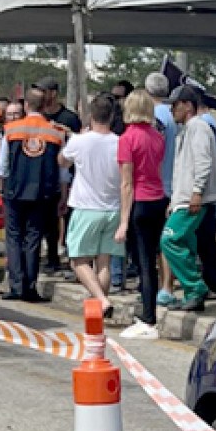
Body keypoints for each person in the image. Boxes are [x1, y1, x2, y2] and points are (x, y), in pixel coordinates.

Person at [0, 86, 67, 304]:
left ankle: (16, 285)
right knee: (34, 239)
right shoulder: (56, 132)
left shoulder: (10, 129)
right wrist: (62, 196)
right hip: (42, 194)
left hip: (15, 191)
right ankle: (30, 286)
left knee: (14, 238)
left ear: (26, 105)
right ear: (45, 106)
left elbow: (2, 167)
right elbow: (63, 171)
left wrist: (2, 189)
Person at [160, 84, 216, 312]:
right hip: (185, 197)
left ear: (187, 105)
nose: (171, 111)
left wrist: (196, 192)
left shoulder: (198, 127)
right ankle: (191, 294)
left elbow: (202, 162)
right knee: (186, 243)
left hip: (194, 198)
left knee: (169, 240)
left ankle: (195, 287)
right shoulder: (187, 130)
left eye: (175, 106)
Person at [61, 94, 124, 314]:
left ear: (90, 115)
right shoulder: (119, 142)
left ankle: (101, 301)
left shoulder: (80, 141)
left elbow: (62, 160)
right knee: (103, 262)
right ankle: (99, 307)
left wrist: (76, 137)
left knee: (78, 260)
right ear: (113, 116)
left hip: (86, 207)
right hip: (113, 207)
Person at [115, 90, 168, 340]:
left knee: (144, 262)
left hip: (140, 201)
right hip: (158, 198)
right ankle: (149, 312)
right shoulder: (158, 137)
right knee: (152, 260)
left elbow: (127, 183)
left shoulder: (127, 138)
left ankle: (148, 317)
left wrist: (123, 221)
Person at [37, 78, 81, 274]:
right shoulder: (38, 118)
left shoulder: (69, 118)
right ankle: (50, 257)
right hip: (42, 176)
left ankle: (72, 260)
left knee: (68, 220)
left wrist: (68, 133)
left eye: (43, 91)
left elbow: (80, 145)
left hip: (67, 176)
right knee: (45, 222)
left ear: (52, 93)